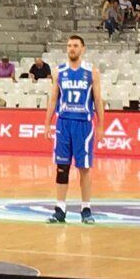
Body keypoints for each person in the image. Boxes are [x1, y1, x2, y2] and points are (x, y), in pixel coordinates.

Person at [44, 35, 105, 224]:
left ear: (83, 49)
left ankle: (85, 208)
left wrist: (101, 124)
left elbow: (98, 99)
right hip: (63, 123)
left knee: (84, 168)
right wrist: (48, 122)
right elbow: (53, 98)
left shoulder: (91, 71)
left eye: (75, 46)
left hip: (83, 124)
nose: (72, 48)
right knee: (62, 167)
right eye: (69, 45)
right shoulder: (59, 71)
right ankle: (60, 209)